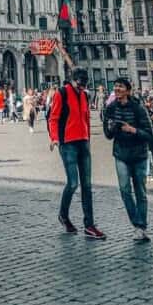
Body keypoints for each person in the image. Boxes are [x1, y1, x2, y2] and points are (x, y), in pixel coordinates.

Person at [49, 67, 105, 240]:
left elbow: (86, 117)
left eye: (84, 85)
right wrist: (55, 138)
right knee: (73, 183)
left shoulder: (84, 95)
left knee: (87, 185)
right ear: (72, 80)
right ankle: (63, 215)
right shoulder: (61, 93)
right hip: (67, 144)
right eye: (79, 84)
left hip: (83, 142)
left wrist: (87, 137)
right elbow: (54, 117)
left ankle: (89, 225)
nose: (82, 88)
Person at [103, 77, 153, 242]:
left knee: (140, 192)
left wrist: (133, 130)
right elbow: (108, 135)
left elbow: (149, 134)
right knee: (125, 190)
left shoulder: (139, 109)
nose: (117, 89)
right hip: (121, 155)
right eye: (115, 86)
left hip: (139, 155)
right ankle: (137, 223)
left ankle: (141, 226)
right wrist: (110, 128)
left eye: (120, 87)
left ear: (128, 90)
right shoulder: (110, 108)